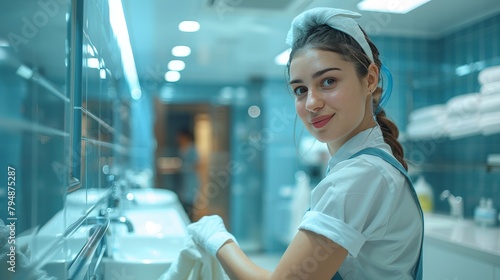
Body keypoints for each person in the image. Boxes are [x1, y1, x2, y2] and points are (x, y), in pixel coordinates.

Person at [186, 7, 423, 279]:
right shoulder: (369, 165)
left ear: (369, 79)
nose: (312, 103)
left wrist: (218, 240)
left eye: (329, 81)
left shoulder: (360, 176)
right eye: (300, 90)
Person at [176, 128, 200, 220]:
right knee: (183, 204)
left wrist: (183, 167)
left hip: (190, 180)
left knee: (189, 205)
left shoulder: (192, 149)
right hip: (183, 181)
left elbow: (197, 164)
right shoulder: (181, 148)